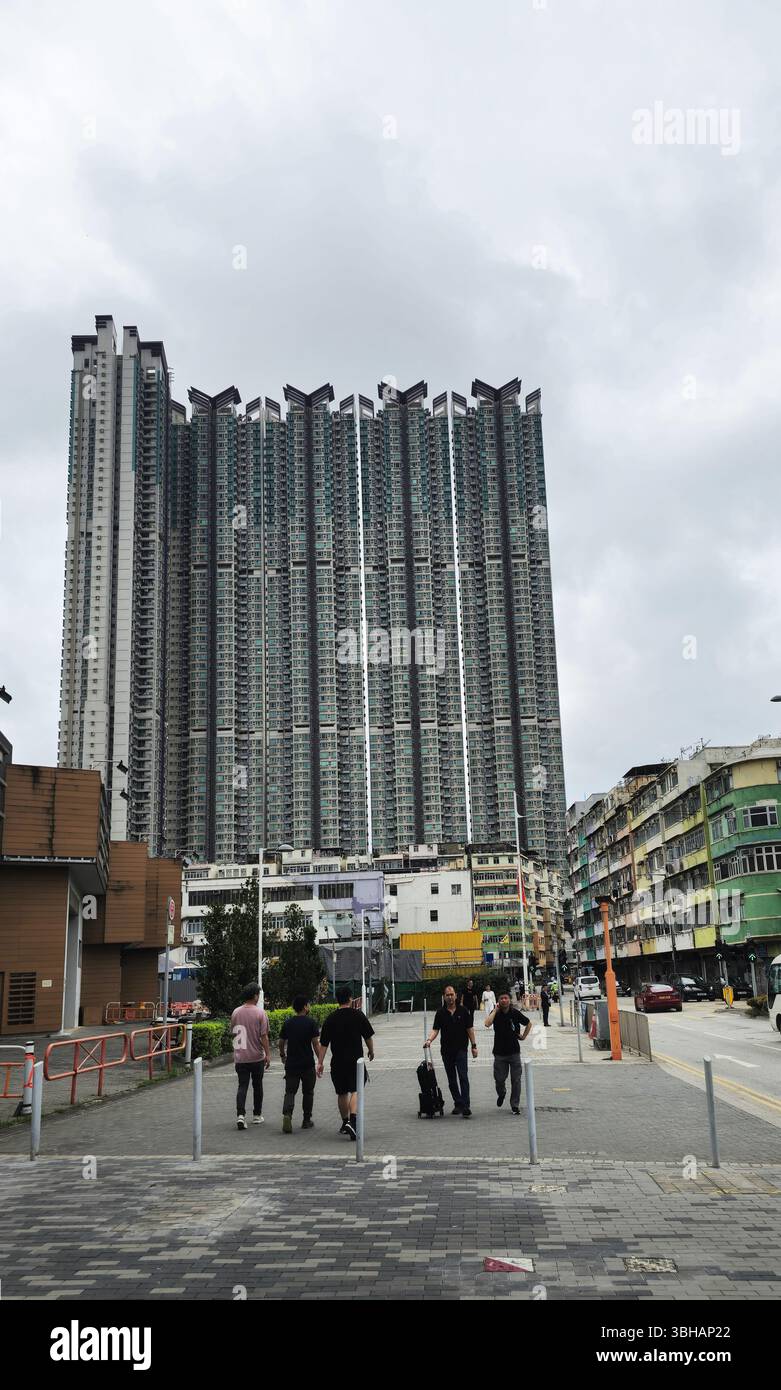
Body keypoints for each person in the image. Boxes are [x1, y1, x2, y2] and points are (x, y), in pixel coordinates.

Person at [317, 985, 375, 1140]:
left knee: (342, 1092)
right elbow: (368, 1036)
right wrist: (371, 1050)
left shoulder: (330, 1018)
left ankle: (345, 1123)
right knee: (356, 1090)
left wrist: (320, 1063)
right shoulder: (358, 1015)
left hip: (337, 1062)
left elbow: (323, 1044)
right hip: (355, 1061)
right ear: (350, 999)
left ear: (337, 1000)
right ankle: (353, 1121)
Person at [426, 984, 478, 1118]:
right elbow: (435, 1029)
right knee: (452, 1080)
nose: (450, 997)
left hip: (461, 1049)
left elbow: (470, 1029)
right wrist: (429, 1040)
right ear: (444, 997)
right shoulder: (440, 1013)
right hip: (446, 1051)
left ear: (456, 995)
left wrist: (474, 1045)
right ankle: (458, 1103)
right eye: (447, 995)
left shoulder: (463, 1010)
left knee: (463, 1076)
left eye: (452, 994)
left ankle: (466, 1106)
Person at [230, 982, 271, 1130]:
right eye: (258, 995)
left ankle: (240, 1115)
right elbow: (264, 1036)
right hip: (256, 1057)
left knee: (242, 1085)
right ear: (255, 995)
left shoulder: (236, 1012)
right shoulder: (260, 1013)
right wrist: (267, 1054)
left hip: (240, 1057)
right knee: (257, 1085)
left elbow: (234, 1033)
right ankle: (257, 1115)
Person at [484, 989, 532, 1115]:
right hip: (499, 1053)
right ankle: (502, 1093)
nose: (504, 1000)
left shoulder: (515, 1013)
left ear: (509, 1000)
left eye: (506, 998)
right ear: (498, 1001)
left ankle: (514, 1105)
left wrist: (524, 1036)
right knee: (499, 1079)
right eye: (501, 998)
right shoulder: (496, 1013)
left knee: (516, 1080)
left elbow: (528, 1023)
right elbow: (487, 1024)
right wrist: (495, 1010)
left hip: (514, 1052)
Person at [279, 994, 321, 1133]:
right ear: (304, 1007)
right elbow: (315, 1044)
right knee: (308, 1092)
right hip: (307, 1063)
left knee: (290, 1091)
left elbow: (281, 1042)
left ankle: (287, 1114)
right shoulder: (311, 1023)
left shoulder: (288, 1023)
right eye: (308, 1004)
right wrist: (320, 1060)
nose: (309, 1006)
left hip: (291, 1064)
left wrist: (282, 1055)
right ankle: (306, 1120)